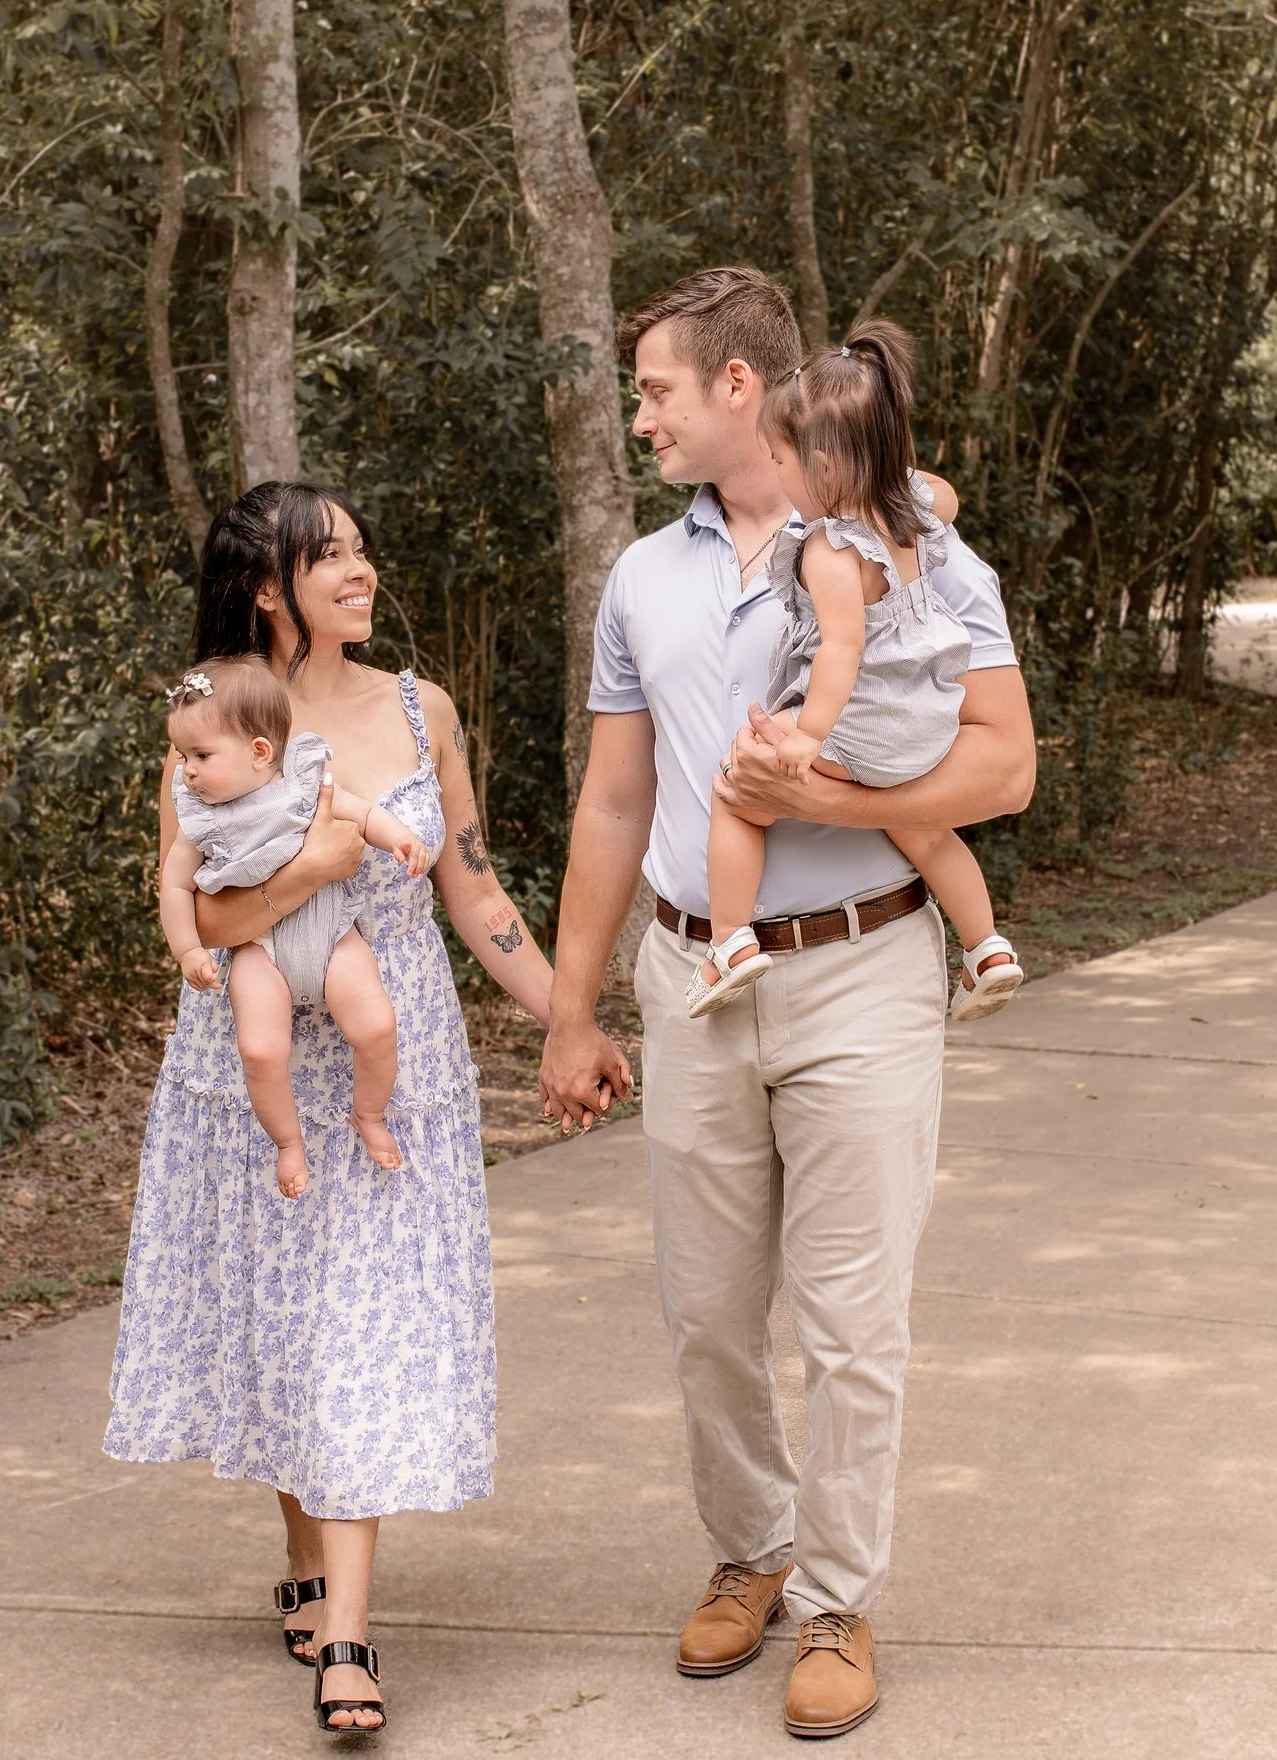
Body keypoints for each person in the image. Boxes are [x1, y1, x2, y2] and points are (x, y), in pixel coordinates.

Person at [538, 268, 1036, 1740]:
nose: (644, 419)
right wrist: (574, 1009)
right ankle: (750, 1549)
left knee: (853, 1317)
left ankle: (833, 1600)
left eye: (659, 392)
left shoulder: (924, 550)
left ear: (740, 389)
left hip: (868, 964)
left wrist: (831, 786)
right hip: (696, 971)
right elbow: (616, 800)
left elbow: (1005, 769)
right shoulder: (643, 578)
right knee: (707, 1313)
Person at [106, 481, 555, 1734]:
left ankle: (347, 1633)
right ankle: (305, 1560)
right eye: (334, 556)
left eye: (362, 551)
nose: (362, 571)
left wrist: (563, 1012)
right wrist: (313, 862)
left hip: (387, 1058)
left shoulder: (423, 708)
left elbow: (472, 887)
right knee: (291, 1319)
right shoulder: (208, 718)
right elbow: (197, 916)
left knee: (359, 1312)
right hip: (246, 1068)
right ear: (270, 586)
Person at [690, 321, 1023, 1023]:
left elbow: (841, 651)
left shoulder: (829, 550)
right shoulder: (907, 515)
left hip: (860, 728)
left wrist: (806, 738)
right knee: (927, 831)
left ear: (825, 467)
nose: (778, 476)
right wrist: (888, 472)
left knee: (734, 785)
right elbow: (948, 494)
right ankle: (987, 947)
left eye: (782, 460)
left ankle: (729, 943)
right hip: (926, 726)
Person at [157, 655, 433, 1193]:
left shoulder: (302, 783)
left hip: (331, 930)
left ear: (260, 752)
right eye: (186, 755)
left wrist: (399, 835)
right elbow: (174, 885)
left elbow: (360, 812)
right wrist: (187, 949)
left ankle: (369, 1114)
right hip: (257, 947)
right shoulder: (200, 816)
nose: (186, 768)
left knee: (376, 1026)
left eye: (201, 755)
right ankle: (288, 1142)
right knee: (261, 1050)